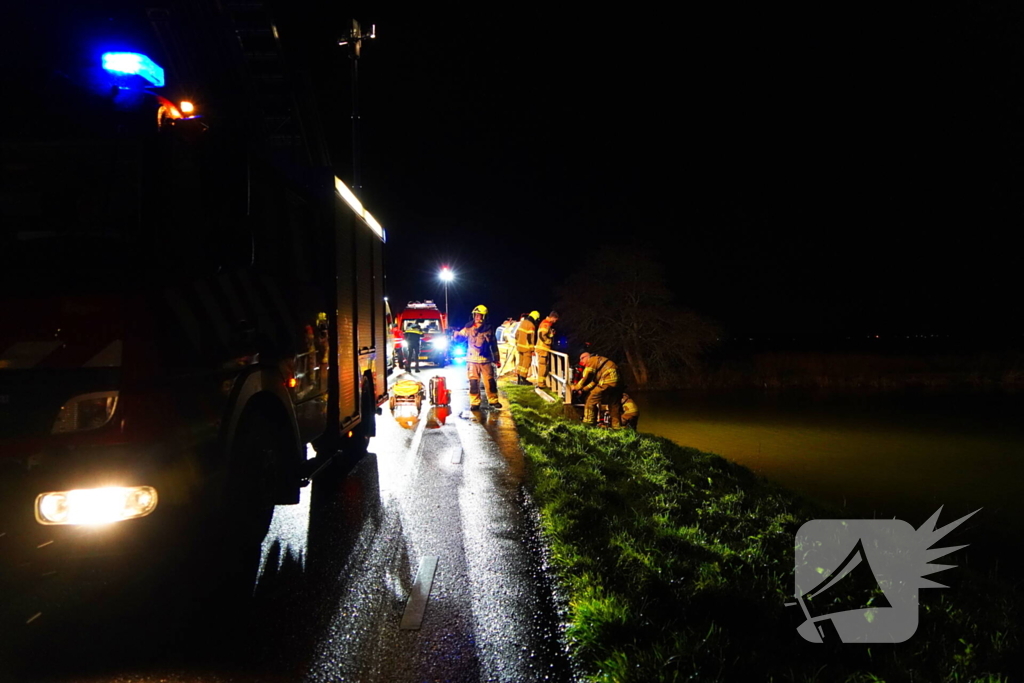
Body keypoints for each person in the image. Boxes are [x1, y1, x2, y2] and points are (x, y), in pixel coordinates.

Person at [452, 304, 502, 410]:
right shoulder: (468, 327)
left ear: (484, 317)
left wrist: (497, 359)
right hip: (472, 360)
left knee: (490, 381)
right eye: (476, 315)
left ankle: (493, 401)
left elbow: (494, 345)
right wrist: (456, 335)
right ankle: (474, 403)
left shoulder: (489, 329)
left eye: (479, 315)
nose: (477, 317)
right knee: (473, 382)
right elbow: (460, 338)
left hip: (486, 360)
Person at [572, 351, 622, 428]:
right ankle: (616, 427)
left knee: (591, 399)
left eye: (581, 359)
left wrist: (576, 387)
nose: (581, 362)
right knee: (614, 405)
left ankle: (588, 423)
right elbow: (594, 382)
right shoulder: (600, 363)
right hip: (617, 384)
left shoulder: (592, 360)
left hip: (607, 382)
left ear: (586, 357)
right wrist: (584, 389)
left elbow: (586, 377)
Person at [515, 310, 539, 385]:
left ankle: (519, 379)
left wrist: (517, 343)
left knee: (521, 362)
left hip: (519, 347)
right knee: (526, 363)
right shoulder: (531, 325)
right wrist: (532, 349)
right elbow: (530, 338)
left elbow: (516, 334)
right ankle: (523, 378)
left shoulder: (522, 323)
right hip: (526, 348)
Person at [535, 311, 559, 385]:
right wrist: (549, 341)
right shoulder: (546, 324)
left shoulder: (545, 323)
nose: (555, 321)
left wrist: (551, 334)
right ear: (553, 317)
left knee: (544, 366)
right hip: (543, 348)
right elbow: (542, 335)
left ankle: (542, 382)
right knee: (543, 366)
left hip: (543, 348)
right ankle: (541, 383)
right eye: (555, 320)